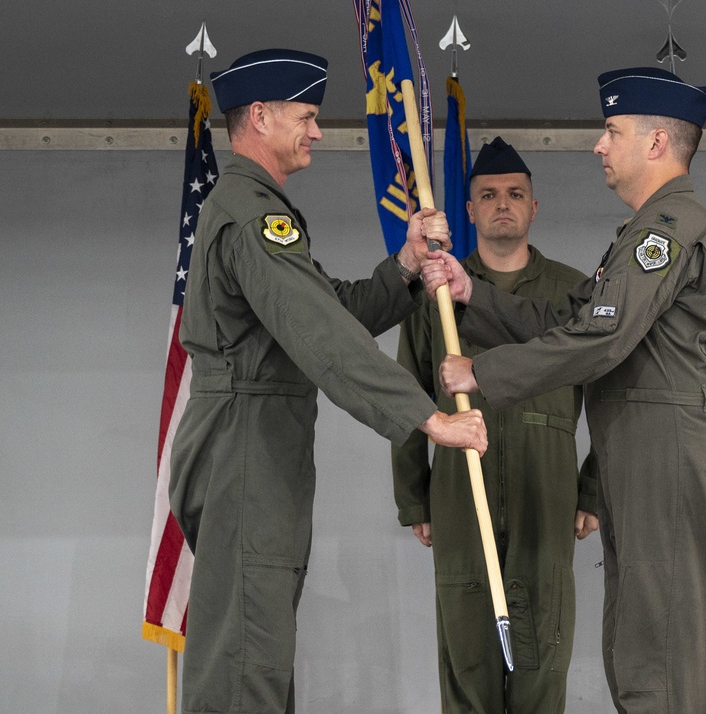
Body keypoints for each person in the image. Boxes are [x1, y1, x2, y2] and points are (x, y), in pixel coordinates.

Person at [425, 67, 706, 714]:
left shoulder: (667, 231)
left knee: (659, 666)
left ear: (656, 143)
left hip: (672, 457)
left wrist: (483, 373)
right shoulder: (644, 231)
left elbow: (600, 341)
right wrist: (476, 298)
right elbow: (575, 319)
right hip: (652, 454)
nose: (598, 146)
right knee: (643, 651)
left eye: (611, 131)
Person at [168, 48, 487, 714]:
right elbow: (319, 332)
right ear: (260, 116)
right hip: (246, 448)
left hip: (254, 446)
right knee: (245, 665)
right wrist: (428, 417)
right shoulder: (255, 218)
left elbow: (324, 309)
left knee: (256, 647)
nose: (317, 131)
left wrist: (403, 268)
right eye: (307, 116)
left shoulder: (253, 210)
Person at [392, 137, 599, 713]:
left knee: (543, 655)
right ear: (469, 211)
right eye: (487, 194)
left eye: (515, 194)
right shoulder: (435, 295)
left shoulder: (573, 292)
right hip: (460, 486)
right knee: (467, 659)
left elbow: (611, 399)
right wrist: (416, 498)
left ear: (535, 208)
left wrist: (593, 489)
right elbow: (407, 394)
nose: (502, 203)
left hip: (546, 487)